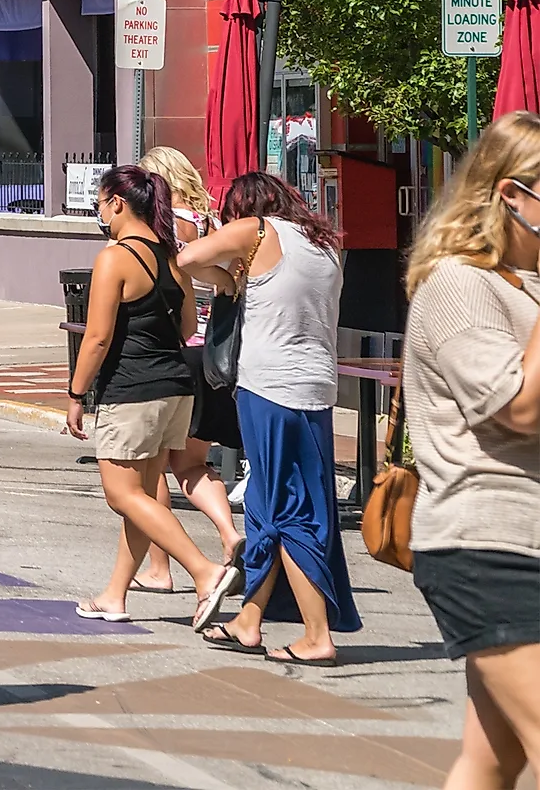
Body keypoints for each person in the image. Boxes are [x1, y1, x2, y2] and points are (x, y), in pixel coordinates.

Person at [398, 111, 540, 789]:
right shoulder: (459, 284)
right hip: (487, 543)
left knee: (493, 759)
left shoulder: (526, 287)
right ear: (511, 194)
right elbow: (521, 408)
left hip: (525, 539)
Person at [179, 170, 359, 664]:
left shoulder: (256, 230)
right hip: (316, 387)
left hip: (269, 388)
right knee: (264, 502)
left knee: (289, 509)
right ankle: (249, 620)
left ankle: (317, 636)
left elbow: (186, 257)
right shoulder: (322, 244)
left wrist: (225, 279)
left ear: (245, 208)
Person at [64, 165, 236, 628]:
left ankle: (204, 570)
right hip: (175, 387)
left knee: (122, 495)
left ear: (118, 203)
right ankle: (114, 595)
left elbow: (97, 337)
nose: (100, 212)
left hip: (132, 389)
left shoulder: (115, 258)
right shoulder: (170, 256)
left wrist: (76, 393)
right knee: (141, 496)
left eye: (101, 204)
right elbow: (187, 326)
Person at [131, 144, 245, 596]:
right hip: (213, 354)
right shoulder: (213, 223)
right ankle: (228, 532)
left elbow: (170, 271)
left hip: (175, 351)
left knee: (153, 467)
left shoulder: (162, 225)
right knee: (194, 463)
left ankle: (160, 568)